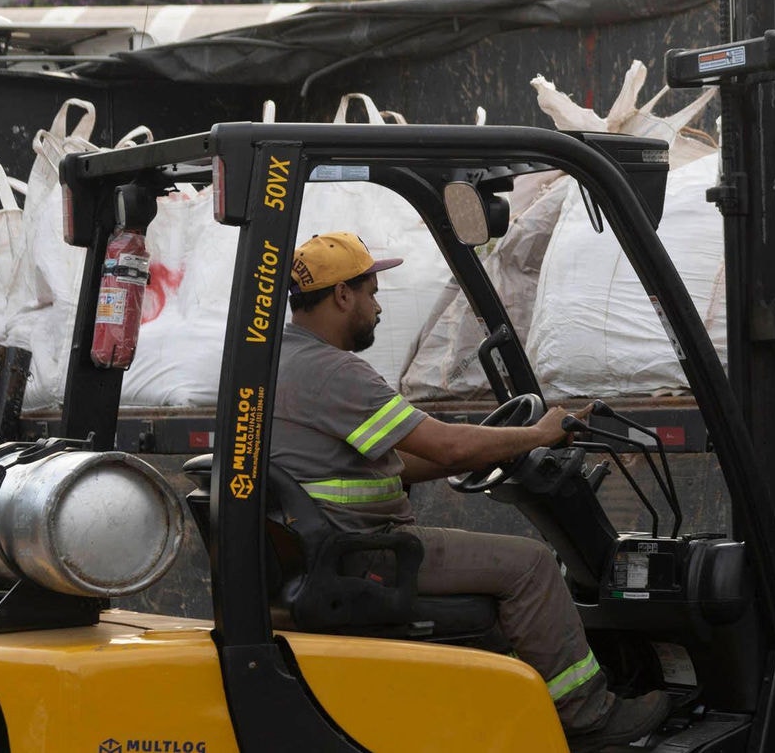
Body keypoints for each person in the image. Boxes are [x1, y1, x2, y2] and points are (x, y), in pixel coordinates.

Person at [271, 231, 670, 752]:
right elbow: (449, 446)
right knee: (530, 566)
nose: (377, 306)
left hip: (316, 548)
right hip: (366, 551)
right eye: (370, 292)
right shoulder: (338, 373)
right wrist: (539, 435)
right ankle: (588, 714)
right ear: (342, 295)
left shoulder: (274, 363)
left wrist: (495, 449)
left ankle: (511, 701)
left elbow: (408, 459)